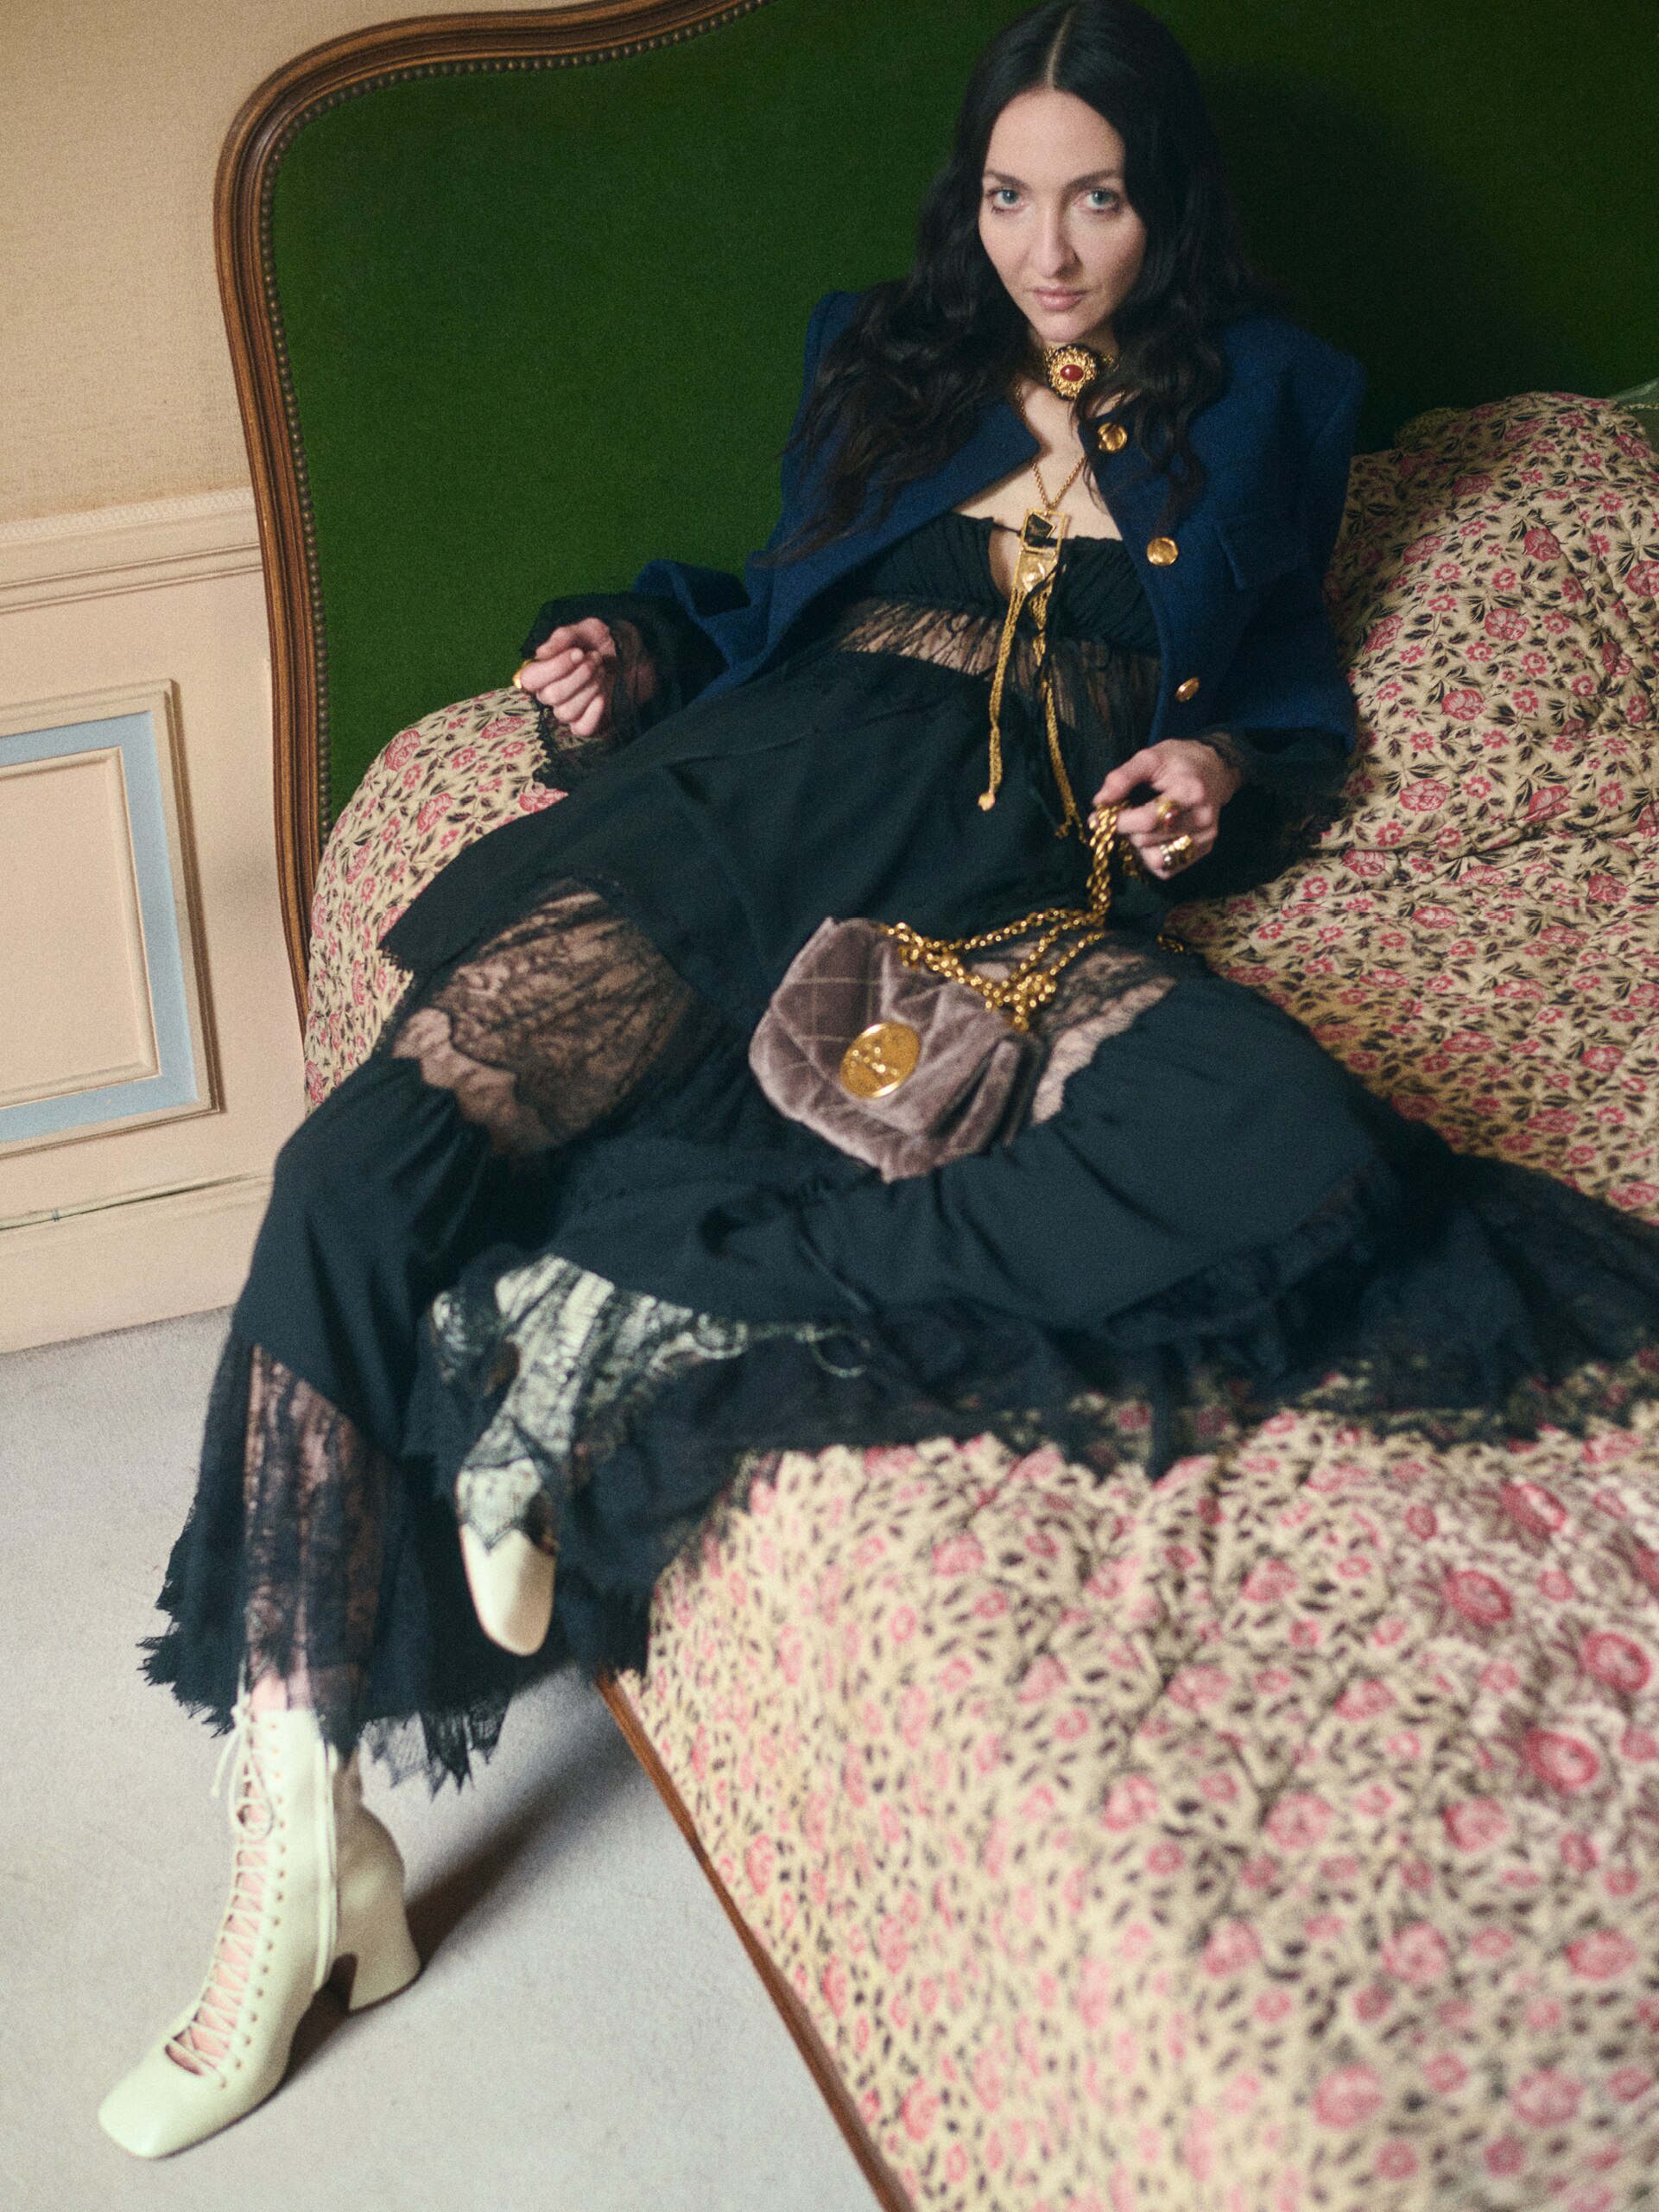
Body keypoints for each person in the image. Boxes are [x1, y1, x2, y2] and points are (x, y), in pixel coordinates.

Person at [100, 0, 1659, 2160]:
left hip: (995, 888)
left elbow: (1285, 691)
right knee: (364, 1177)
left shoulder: (1276, 395)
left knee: (1280, 1139)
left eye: (1096, 198)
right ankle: (297, 1846)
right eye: (1011, 195)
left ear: (1166, 201)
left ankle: (639, 1298)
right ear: (970, 198)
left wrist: (1215, 768)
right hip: (745, 812)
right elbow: (762, 609)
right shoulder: (885, 355)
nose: (1049, 248)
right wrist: (624, 656)